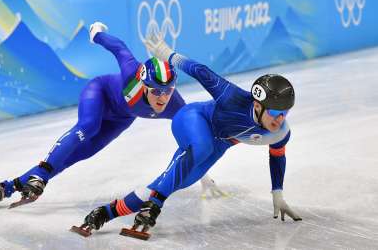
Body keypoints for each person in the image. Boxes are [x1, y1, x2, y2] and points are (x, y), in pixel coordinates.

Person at [74, 35, 302, 239]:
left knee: (174, 181)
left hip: (219, 144)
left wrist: (278, 192)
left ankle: (105, 212)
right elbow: (200, 71)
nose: (279, 119)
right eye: (274, 113)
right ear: (257, 105)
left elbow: (277, 156)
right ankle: (155, 203)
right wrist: (167, 54)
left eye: (284, 113)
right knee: (199, 148)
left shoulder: (280, 132)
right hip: (193, 118)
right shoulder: (231, 97)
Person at [0, 23, 221, 211]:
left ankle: (10, 186)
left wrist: (203, 173)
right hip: (99, 94)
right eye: (156, 90)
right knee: (88, 127)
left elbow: (193, 139)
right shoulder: (131, 73)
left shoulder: (175, 105)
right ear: (144, 84)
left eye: (167, 91)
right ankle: (40, 174)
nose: (162, 97)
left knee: (80, 154)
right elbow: (119, 48)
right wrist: (97, 33)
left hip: (121, 119)